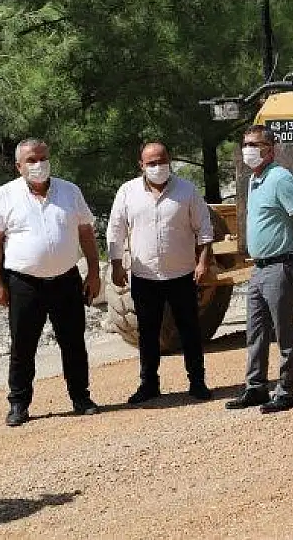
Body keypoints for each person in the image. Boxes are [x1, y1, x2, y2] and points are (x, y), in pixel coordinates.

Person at [0, 138, 101, 427]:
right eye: (31, 161)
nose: (39, 165)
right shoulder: (4, 195)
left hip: (66, 279)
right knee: (23, 345)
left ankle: (81, 397)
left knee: (73, 342)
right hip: (24, 283)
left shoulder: (70, 191)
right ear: (18, 166)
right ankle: (19, 404)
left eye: (43, 158)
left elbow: (86, 233)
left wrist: (95, 273)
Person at [106, 141, 215, 404]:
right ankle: (149, 384)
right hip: (144, 277)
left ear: (170, 160)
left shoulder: (187, 191)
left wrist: (203, 263)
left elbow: (204, 230)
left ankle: (197, 382)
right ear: (141, 165)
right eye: (151, 163)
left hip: (182, 275)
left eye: (162, 161)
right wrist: (117, 263)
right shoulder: (127, 192)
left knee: (189, 330)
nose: (157, 167)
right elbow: (116, 229)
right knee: (148, 332)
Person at [225, 126, 293, 413]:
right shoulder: (254, 180)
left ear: (270, 149)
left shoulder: (280, 178)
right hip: (260, 268)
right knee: (256, 331)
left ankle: (286, 389)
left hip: (281, 265)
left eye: (255, 144)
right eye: (245, 144)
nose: (248, 149)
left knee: (285, 331)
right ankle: (256, 386)